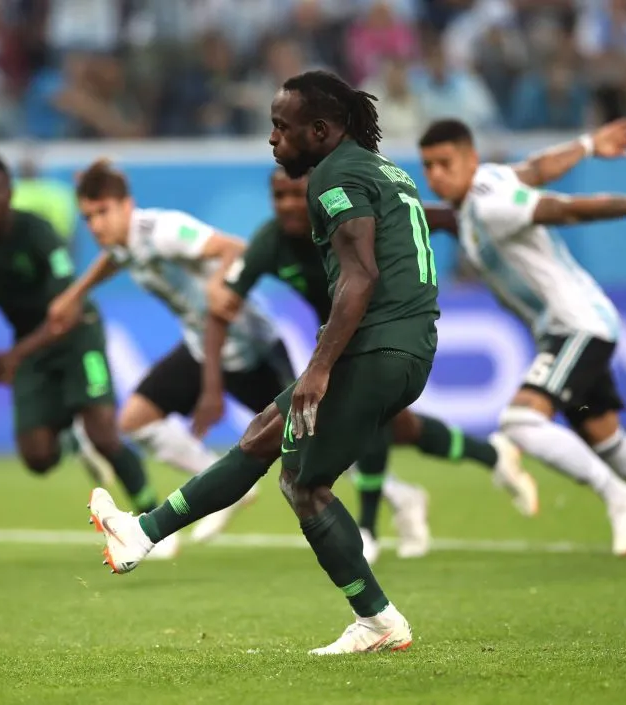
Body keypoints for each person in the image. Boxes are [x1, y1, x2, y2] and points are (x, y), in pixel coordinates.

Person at [86, 70, 443, 655]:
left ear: (322, 130)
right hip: (397, 344)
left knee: (305, 485)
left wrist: (321, 367)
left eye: (282, 128)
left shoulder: (335, 174)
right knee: (261, 436)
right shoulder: (387, 170)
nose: (273, 140)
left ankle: (377, 617)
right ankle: (142, 533)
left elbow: (360, 277)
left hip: (378, 347)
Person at [200, 166, 537, 563]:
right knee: (401, 427)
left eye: (296, 194)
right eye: (279, 196)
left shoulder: (349, 218)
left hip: (386, 329)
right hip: (336, 339)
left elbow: (433, 217)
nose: (288, 205)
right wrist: (211, 380)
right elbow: (222, 307)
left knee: (371, 415)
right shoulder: (271, 241)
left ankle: (369, 527)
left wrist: (474, 238)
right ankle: (489, 459)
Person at [418, 118, 626, 555]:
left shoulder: (491, 203)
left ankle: (620, 498)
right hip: (568, 328)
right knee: (607, 441)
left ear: (471, 159)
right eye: (428, 166)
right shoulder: (485, 190)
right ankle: (622, 488)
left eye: (445, 163)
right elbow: (536, 169)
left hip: (577, 325)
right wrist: (587, 143)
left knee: (521, 422)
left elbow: (565, 208)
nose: (436, 174)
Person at [46, 159, 296, 550]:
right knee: (135, 420)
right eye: (88, 217)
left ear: (126, 205)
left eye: (102, 212)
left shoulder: (163, 230)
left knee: (309, 437)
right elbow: (116, 257)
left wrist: (218, 282)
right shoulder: (124, 242)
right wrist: (74, 294)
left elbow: (234, 247)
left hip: (250, 345)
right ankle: (228, 487)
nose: (95, 225)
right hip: (202, 348)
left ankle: (398, 497)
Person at [0, 152, 158, 519]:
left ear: (9, 192)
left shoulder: (38, 232)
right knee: (38, 458)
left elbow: (66, 312)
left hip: (78, 333)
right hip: (29, 343)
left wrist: (11, 357)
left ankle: (151, 518)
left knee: (105, 435)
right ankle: (73, 439)